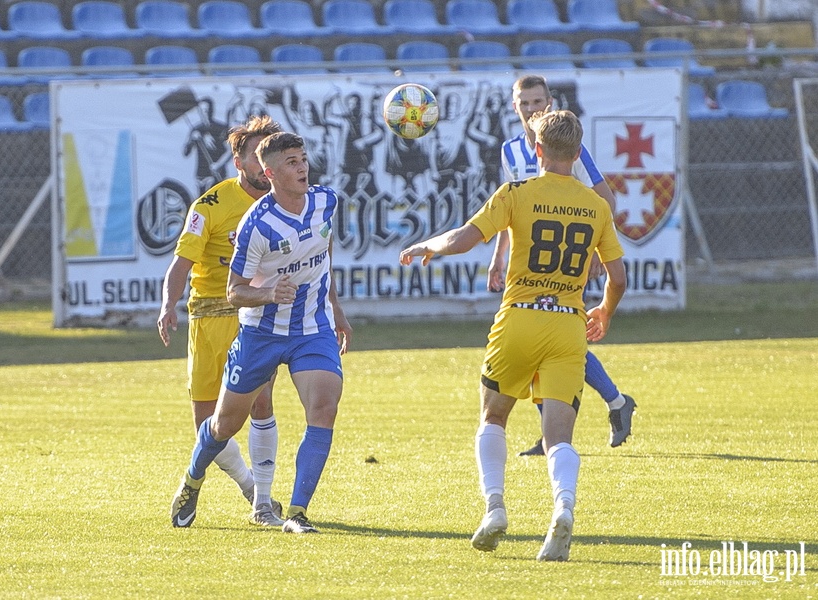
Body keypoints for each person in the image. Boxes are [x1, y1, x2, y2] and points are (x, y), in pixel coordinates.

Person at [400, 110, 626, 560]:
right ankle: (563, 508)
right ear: (578, 154)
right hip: (567, 323)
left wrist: (427, 245)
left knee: (494, 417)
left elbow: (465, 238)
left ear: (537, 150)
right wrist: (603, 309)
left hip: (519, 318)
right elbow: (618, 277)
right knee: (558, 436)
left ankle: (495, 509)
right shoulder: (597, 205)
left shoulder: (517, 193)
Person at [170, 132, 352, 534]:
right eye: (291, 161)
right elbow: (234, 291)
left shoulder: (326, 201)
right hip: (261, 333)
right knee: (223, 425)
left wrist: (335, 308)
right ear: (269, 172)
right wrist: (269, 292)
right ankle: (192, 479)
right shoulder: (256, 224)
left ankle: (298, 514)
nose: (302, 166)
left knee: (324, 407)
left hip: (312, 328)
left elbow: (325, 251)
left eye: (303, 158)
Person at [491, 75, 636, 455]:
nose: (532, 109)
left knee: (558, 336)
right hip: (525, 265)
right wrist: (497, 259)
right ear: (515, 107)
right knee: (550, 336)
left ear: (550, 103)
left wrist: (590, 253)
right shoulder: (510, 151)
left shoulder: (569, 148)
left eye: (539, 102)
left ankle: (603, 408)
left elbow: (605, 201)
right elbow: (511, 211)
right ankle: (616, 404)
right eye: (525, 103)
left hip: (567, 262)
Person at [160, 115, 285, 528]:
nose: (265, 166)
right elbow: (181, 264)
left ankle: (262, 502)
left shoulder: (287, 204)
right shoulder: (209, 205)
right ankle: (249, 486)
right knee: (206, 423)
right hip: (208, 315)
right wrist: (168, 306)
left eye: (271, 156)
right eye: (257, 156)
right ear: (239, 161)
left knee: (261, 402)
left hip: (256, 316)